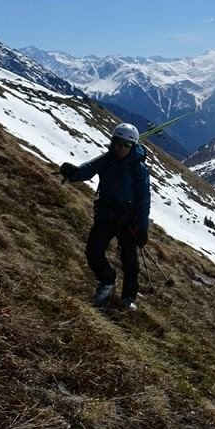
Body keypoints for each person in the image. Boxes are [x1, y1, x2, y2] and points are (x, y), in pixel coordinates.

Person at [59, 123, 150, 310]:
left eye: (126, 145)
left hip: (128, 220)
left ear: (132, 146)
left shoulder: (138, 169)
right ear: (113, 141)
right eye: (117, 143)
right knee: (93, 251)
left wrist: (143, 228)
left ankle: (128, 298)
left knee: (129, 261)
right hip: (106, 215)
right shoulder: (107, 160)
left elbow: (144, 200)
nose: (120, 148)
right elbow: (87, 171)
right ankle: (107, 280)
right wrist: (72, 173)